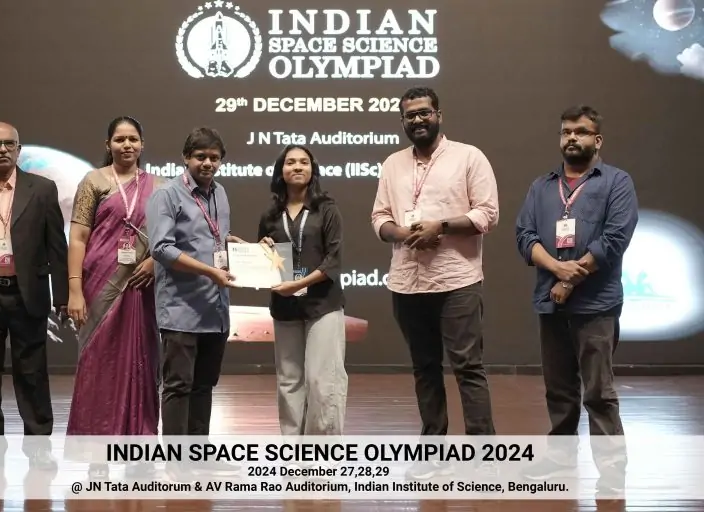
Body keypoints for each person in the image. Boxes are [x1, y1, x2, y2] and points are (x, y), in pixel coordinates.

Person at [370, 86, 499, 480]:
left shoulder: (469, 157)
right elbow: (379, 217)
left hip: (456, 280)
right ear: (403, 121)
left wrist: (439, 226)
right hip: (407, 283)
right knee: (424, 369)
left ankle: (484, 456)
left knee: (468, 367)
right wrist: (401, 233)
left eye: (424, 113)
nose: (418, 120)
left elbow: (487, 214)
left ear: (438, 115)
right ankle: (432, 453)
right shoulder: (392, 164)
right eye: (410, 115)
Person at [515, 105, 635, 489]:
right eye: (566, 131)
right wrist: (556, 267)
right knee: (559, 390)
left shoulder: (616, 182)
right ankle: (560, 460)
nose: (571, 138)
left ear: (596, 140)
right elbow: (525, 236)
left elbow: (614, 239)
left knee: (598, 391)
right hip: (550, 303)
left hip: (596, 305)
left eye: (580, 132)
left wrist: (568, 280)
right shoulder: (542, 186)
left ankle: (612, 472)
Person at [0, 122, 68, 472]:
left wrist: (62, 295)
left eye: (9, 144)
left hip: (27, 293)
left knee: (32, 374)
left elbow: (56, 246)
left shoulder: (43, 189)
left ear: (19, 149)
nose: (2, 149)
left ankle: (38, 448)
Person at [65, 116, 163, 480]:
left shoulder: (159, 186)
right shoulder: (94, 181)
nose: (127, 145)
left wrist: (154, 260)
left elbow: (172, 237)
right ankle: (97, 455)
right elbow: (78, 238)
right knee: (98, 366)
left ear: (142, 144)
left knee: (142, 365)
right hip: (98, 285)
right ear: (108, 144)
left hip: (141, 285)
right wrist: (74, 289)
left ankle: (140, 451)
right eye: (120, 139)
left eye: (133, 139)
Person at [146, 127, 245, 482]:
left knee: (204, 385)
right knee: (178, 386)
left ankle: (199, 455)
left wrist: (245, 247)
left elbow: (215, 238)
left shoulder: (221, 193)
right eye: (200, 156)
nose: (207, 163)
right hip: (181, 309)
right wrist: (208, 271)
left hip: (214, 308)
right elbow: (161, 248)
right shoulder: (166, 195)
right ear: (186, 158)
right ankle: (176, 461)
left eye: (214, 158)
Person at [257, 145, 347, 437]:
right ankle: (292, 450)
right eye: (290, 162)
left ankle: (323, 452)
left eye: (304, 162)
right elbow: (266, 260)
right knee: (288, 381)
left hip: (323, 305)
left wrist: (298, 284)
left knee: (322, 381)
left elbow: (333, 261)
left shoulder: (327, 209)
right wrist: (261, 248)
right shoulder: (271, 214)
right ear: (281, 171)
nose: (297, 167)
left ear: (312, 170)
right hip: (285, 306)